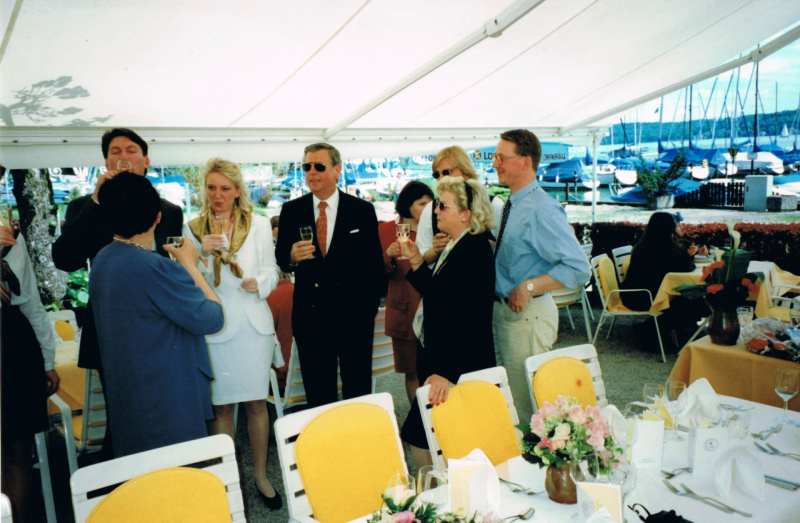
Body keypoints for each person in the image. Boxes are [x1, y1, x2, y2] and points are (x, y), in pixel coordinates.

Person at [51, 128, 183, 459]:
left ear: (146, 160)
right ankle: (126, 479)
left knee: (164, 409)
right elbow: (65, 260)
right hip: (111, 329)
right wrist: (96, 200)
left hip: (160, 328)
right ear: (106, 161)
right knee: (123, 415)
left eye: (131, 150)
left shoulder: (169, 211)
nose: (123, 157)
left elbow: (171, 267)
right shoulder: (86, 206)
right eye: (115, 151)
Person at [89, 173, 223, 458]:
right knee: (178, 474)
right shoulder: (157, 268)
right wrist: (190, 265)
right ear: (158, 216)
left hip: (128, 395)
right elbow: (213, 317)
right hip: (167, 397)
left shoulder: (102, 259)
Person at [185, 158, 282, 508]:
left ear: (238, 191)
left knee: (257, 404)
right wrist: (201, 254)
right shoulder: (192, 228)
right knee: (222, 408)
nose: (218, 195)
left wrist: (261, 283)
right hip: (216, 328)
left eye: (225, 188)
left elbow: (273, 269)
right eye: (212, 187)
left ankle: (261, 475)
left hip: (254, 326)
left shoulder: (258, 225)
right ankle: (226, 482)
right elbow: (185, 277)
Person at [491, 129, 591, 425]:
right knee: (512, 402)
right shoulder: (513, 203)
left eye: (501, 158)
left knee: (529, 408)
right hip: (509, 314)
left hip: (527, 316)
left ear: (525, 162)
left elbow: (579, 268)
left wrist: (528, 286)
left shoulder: (541, 208)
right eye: (495, 157)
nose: (495, 163)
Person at [396, 177, 496, 467]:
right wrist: (417, 260)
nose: (436, 210)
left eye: (442, 206)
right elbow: (439, 295)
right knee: (431, 433)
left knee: (420, 434)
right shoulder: (459, 244)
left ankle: (433, 488)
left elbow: (468, 319)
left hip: (457, 364)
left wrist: (445, 371)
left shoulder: (474, 250)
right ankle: (440, 486)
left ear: (465, 214)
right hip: (448, 361)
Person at [275, 143, 384, 407]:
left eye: (319, 166)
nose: (311, 172)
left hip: (354, 319)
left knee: (357, 393)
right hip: (312, 319)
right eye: (307, 167)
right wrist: (291, 256)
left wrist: (366, 310)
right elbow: (281, 258)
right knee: (319, 398)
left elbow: (374, 267)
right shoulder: (292, 211)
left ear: (337, 170)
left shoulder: (361, 210)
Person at [1, 226, 60, 523]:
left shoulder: (9, 233)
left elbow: (29, 300)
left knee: (18, 450)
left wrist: (47, 359)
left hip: (12, 345)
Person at [379, 181, 434, 403]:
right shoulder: (386, 230)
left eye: (430, 203)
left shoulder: (437, 228)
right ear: (407, 205)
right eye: (422, 204)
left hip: (432, 307)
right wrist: (387, 256)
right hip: (404, 309)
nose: (428, 208)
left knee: (436, 370)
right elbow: (376, 273)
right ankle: (416, 417)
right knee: (411, 370)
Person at [621, 212, 709, 346]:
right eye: (676, 225)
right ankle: (647, 330)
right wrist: (689, 256)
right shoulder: (659, 248)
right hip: (641, 296)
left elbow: (679, 265)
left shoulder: (651, 244)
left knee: (690, 299)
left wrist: (689, 255)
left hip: (638, 292)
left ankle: (683, 329)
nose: (680, 227)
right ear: (668, 228)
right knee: (690, 301)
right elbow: (684, 267)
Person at [416, 146, 499, 267]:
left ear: (466, 172)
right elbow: (421, 257)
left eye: (446, 172)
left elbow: (507, 251)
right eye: (436, 174)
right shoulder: (431, 209)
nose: (441, 178)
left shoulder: (494, 204)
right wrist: (434, 251)